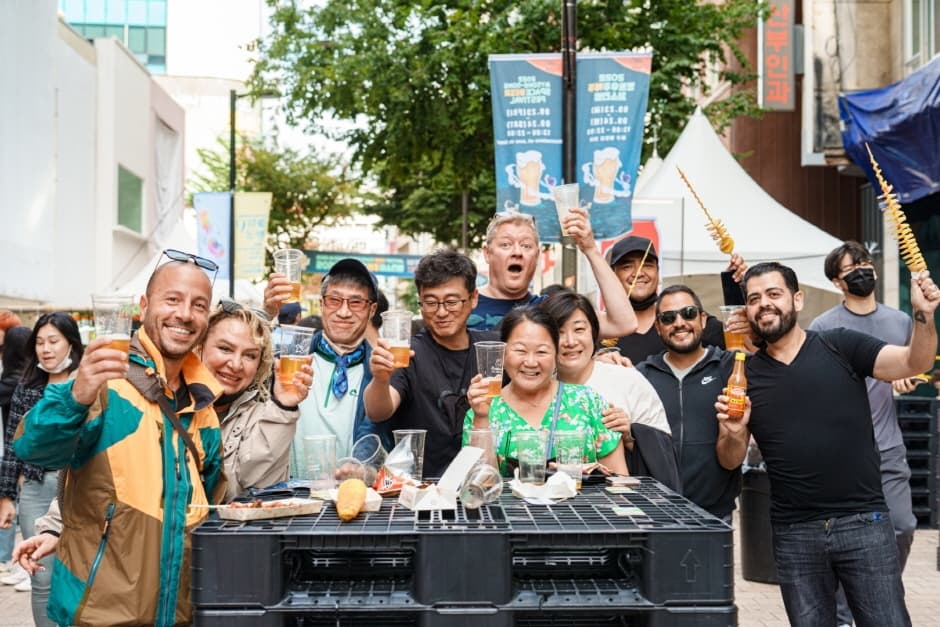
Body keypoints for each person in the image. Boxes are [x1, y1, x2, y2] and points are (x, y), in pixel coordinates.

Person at [12, 300, 315, 575]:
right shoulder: (154, 397)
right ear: (198, 348)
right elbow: (102, 473)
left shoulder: (267, 413)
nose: (236, 364)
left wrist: (283, 406)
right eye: (225, 349)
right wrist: (53, 528)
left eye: (250, 355)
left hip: (226, 565)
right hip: (145, 567)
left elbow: (252, 491)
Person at [716, 261, 939, 627]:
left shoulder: (840, 344)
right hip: (794, 533)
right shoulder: (744, 376)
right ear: (746, 310)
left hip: (863, 522)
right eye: (754, 298)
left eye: (774, 294)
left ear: (797, 299)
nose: (764, 304)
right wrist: (735, 431)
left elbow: (914, 361)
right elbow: (729, 460)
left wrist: (923, 315)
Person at [12, 251, 227, 626]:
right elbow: (34, 447)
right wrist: (76, 395)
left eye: (198, 305)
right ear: (143, 306)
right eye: (172, 299)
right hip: (98, 614)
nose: (185, 314)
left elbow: (207, 505)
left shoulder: (202, 406)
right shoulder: (106, 382)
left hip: (178, 613)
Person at [808, 241, 920, 627]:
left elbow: (909, 366)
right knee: (847, 539)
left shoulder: (901, 321)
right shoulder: (823, 328)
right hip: (844, 454)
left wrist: (906, 379)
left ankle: (876, 590)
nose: (862, 270)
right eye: (852, 267)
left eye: (866, 262)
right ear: (838, 282)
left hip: (888, 448)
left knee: (902, 525)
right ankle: (844, 616)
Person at [365, 250, 495, 477]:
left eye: (452, 301)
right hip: (420, 487)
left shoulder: (491, 350)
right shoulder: (408, 353)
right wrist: (380, 378)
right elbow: (378, 412)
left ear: (473, 298)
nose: (442, 312)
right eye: (431, 302)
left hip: (480, 485)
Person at [540, 291, 679, 488]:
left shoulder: (627, 379)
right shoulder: (540, 389)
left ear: (594, 333)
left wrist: (631, 435)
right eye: (559, 332)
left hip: (622, 505)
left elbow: (665, 452)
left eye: (579, 330)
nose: (570, 341)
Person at [267, 259, 392, 469]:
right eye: (334, 300)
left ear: (372, 310)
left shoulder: (379, 372)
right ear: (322, 304)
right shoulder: (289, 359)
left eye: (356, 302)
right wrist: (266, 311)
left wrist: (360, 467)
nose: (343, 312)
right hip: (285, 493)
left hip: (346, 495)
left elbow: (376, 432)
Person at [0, 313, 83, 623]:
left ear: (71, 344)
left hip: (78, 488)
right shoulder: (27, 385)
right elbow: (12, 443)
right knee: (42, 578)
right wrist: (6, 496)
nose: (46, 349)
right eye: (39, 342)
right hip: (36, 488)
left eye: (53, 341)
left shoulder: (87, 381)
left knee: (80, 572)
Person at [633, 286, 744, 520]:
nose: (679, 322)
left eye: (689, 313)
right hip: (655, 514)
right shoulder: (641, 375)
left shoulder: (729, 367)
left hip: (714, 515)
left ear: (703, 319)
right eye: (668, 317)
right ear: (658, 327)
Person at [468, 209, 638, 339]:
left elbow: (623, 324)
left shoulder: (550, 309)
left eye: (526, 246)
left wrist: (591, 249)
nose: (517, 252)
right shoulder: (462, 306)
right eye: (506, 245)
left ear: (537, 256)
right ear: (487, 253)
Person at [608, 235, 745, 364]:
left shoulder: (687, 317)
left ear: (658, 272)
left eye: (647, 265)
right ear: (611, 275)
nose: (638, 273)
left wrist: (736, 284)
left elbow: (743, 347)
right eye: (627, 267)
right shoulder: (601, 328)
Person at [0, 325, 29, 575]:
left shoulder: (11, 382)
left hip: (11, 454)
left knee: (13, 509)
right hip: (21, 454)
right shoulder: (28, 379)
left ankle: (8, 561)